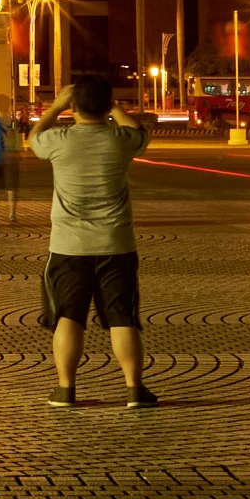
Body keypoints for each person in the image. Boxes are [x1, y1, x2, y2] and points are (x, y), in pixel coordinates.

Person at [31, 76, 155, 409]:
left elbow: (33, 138)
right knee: (122, 317)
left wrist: (56, 107)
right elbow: (141, 134)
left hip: (69, 246)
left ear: (73, 106)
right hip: (116, 244)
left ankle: (65, 389)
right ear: (106, 106)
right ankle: (134, 390)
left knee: (68, 316)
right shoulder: (120, 140)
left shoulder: (58, 140)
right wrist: (114, 107)